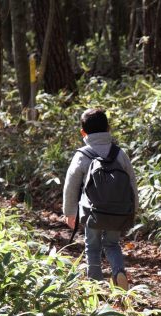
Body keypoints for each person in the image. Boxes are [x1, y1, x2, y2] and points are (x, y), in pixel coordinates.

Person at [62, 108, 138, 290]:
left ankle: (96, 286)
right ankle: (119, 271)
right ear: (108, 129)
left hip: (92, 212)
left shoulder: (82, 155)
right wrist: (133, 208)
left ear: (83, 132)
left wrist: (69, 212)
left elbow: (70, 185)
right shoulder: (119, 154)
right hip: (117, 211)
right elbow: (131, 183)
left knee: (92, 247)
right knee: (112, 244)